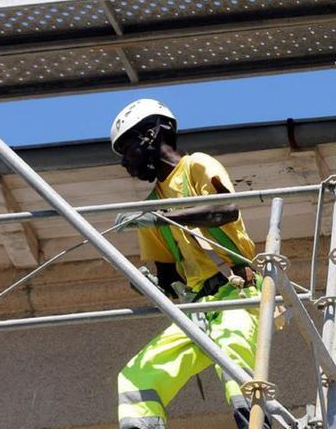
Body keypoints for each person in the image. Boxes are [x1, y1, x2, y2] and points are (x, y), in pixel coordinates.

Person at [110, 99, 270, 429]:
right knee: (138, 377)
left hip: (235, 295)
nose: (126, 163)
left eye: (127, 150)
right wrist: (150, 286)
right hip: (197, 308)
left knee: (236, 372)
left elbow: (225, 210)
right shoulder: (152, 204)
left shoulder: (196, 166)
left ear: (152, 134)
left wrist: (158, 218)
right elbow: (169, 278)